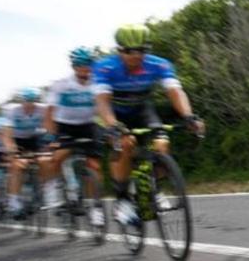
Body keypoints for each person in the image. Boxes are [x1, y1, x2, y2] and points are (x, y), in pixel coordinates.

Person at [94, 24, 204, 226]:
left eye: (141, 51)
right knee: (126, 143)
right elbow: (102, 100)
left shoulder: (159, 64)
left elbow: (175, 91)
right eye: (129, 51)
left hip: (143, 109)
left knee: (162, 144)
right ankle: (122, 199)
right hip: (114, 111)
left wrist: (188, 116)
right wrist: (112, 125)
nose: (136, 56)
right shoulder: (105, 67)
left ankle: (156, 188)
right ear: (119, 50)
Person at [44, 47, 105, 227]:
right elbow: (49, 114)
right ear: (74, 66)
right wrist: (51, 136)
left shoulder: (98, 83)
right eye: (80, 65)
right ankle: (54, 187)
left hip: (88, 125)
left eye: (88, 65)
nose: (85, 69)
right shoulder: (61, 85)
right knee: (58, 157)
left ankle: (96, 208)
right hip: (65, 126)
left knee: (94, 166)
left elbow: (104, 106)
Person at [0, 87, 50, 217]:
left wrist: (50, 144)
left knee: (45, 160)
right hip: (16, 139)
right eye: (26, 101)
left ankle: (43, 191)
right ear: (21, 101)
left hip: (34, 138)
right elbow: (6, 134)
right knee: (16, 166)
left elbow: (49, 127)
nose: (29, 104)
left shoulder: (43, 109)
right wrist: (11, 149)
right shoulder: (11, 111)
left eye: (33, 101)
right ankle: (14, 202)